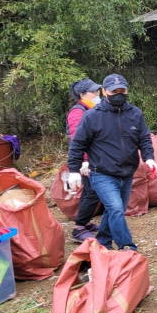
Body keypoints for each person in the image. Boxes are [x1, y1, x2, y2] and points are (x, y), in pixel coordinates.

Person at [67, 74, 157, 251]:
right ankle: (127, 246)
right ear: (104, 92)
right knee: (116, 209)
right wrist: (74, 170)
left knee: (113, 211)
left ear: (127, 91)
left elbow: (144, 139)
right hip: (102, 173)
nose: (118, 94)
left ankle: (103, 243)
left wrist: (149, 158)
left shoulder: (135, 114)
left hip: (127, 173)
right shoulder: (92, 116)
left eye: (122, 90)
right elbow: (77, 144)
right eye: (114, 91)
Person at [66, 78, 103, 242]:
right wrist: (84, 161)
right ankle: (79, 228)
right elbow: (77, 139)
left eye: (98, 91)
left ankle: (85, 223)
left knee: (89, 191)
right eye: (93, 91)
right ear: (82, 94)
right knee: (94, 190)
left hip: (93, 157)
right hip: (84, 160)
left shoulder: (92, 109)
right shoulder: (77, 112)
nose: (97, 94)